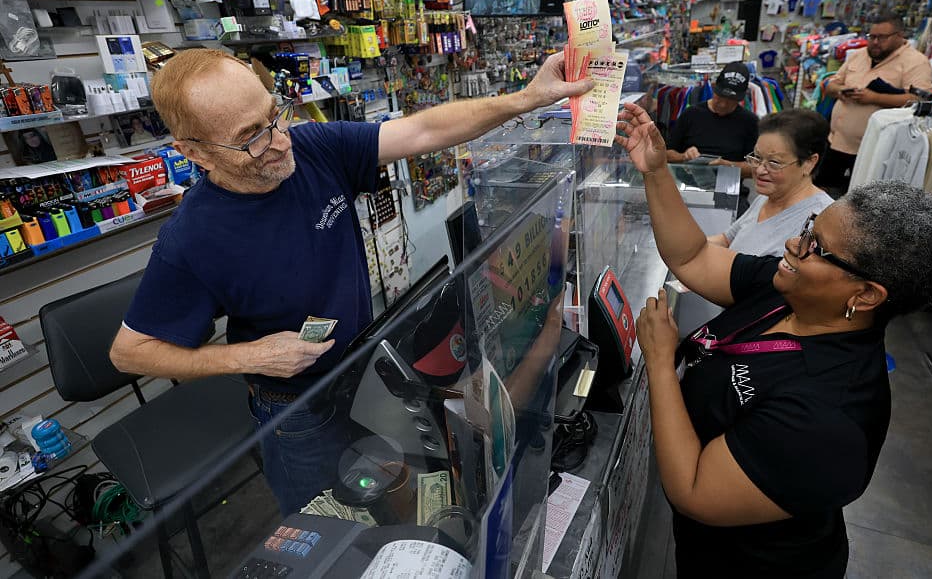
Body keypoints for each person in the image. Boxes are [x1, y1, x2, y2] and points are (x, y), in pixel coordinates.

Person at [108, 48, 591, 515]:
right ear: (194, 153)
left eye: (276, 114)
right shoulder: (191, 239)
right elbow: (129, 351)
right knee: (328, 530)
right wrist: (250, 356)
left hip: (367, 376)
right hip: (299, 410)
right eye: (251, 135)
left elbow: (423, 130)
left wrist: (528, 98)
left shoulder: (314, 149)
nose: (279, 140)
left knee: (394, 506)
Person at [614, 101, 932, 578]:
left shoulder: (829, 416)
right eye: (807, 230)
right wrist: (656, 170)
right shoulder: (790, 292)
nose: (792, 245)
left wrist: (660, 361)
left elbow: (696, 490)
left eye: (815, 248)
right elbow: (695, 256)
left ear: (866, 295)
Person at [819, 12, 932, 195]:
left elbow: (918, 101)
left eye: (882, 37)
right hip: (835, 142)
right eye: (872, 36)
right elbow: (832, 82)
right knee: (822, 192)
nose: (875, 42)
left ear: (899, 36)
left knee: (858, 201)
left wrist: (874, 98)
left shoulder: (915, 62)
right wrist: (839, 90)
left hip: (871, 150)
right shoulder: (858, 55)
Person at [708, 110, 834, 256]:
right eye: (757, 157)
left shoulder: (821, 222)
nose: (760, 170)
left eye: (774, 162)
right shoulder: (766, 198)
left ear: (809, 163)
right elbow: (727, 239)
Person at [665, 62, 758, 166]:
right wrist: (684, 156)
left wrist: (728, 165)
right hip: (690, 179)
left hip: (728, 180)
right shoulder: (691, 114)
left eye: (730, 101)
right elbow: (666, 154)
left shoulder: (750, 122)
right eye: (720, 97)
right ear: (714, 88)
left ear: (741, 99)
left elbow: (755, 166)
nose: (723, 105)